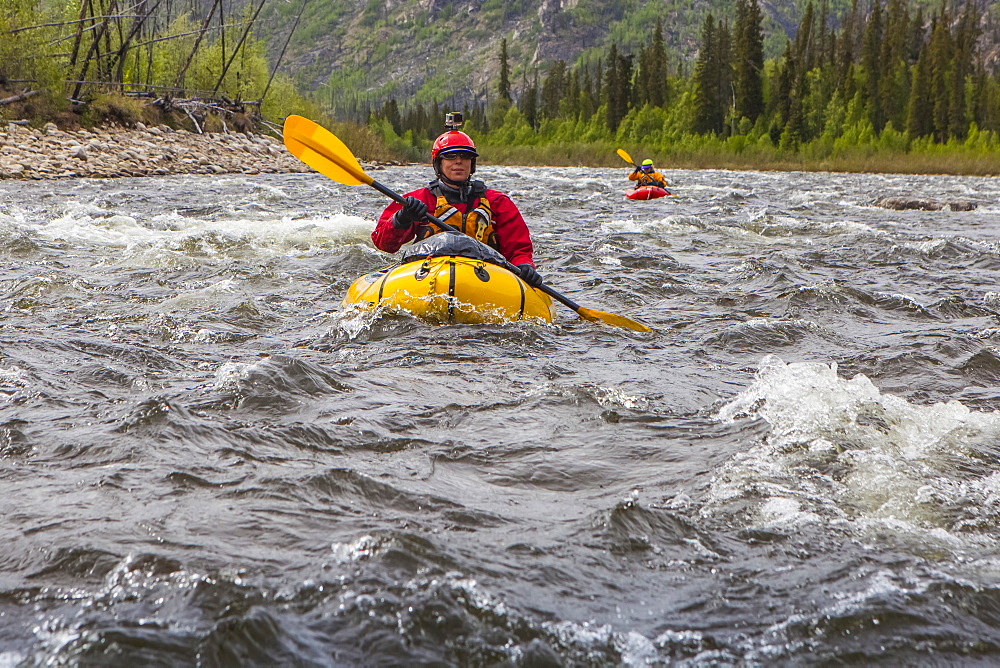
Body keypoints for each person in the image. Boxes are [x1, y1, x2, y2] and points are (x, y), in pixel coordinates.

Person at [372, 115, 543, 288]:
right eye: (451, 156)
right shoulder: (418, 200)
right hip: (429, 275)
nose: (459, 161)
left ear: (472, 163)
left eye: (466, 156)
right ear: (438, 163)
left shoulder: (497, 202)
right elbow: (383, 243)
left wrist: (525, 266)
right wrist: (402, 218)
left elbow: (519, 249)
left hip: (486, 277)